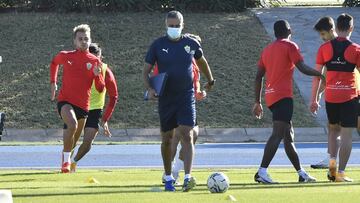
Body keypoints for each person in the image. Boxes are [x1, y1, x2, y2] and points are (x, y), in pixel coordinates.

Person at [143, 11, 214, 192]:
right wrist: (151, 89)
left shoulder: (191, 43)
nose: (173, 28)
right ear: (166, 25)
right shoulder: (158, 45)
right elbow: (146, 71)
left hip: (186, 96)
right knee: (167, 139)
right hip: (166, 98)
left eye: (177, 26)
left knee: (188, 135)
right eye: (171, 25)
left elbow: (202, 62)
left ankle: (187, 178)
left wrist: (210, 79)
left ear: (182, 25)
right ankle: (168, 177)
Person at [253, 20, 323, 184]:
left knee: (288, 136)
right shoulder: (290, 46)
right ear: (289, 30)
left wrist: (257, 101)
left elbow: (258, 77)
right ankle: (261, 172)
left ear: (275, 32)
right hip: (283, 97)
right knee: (278, 134)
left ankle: (301, 173)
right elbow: (302, 67)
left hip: (271, 98)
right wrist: (319, 74)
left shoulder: (267, 49)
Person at [311, 13, 360, 182]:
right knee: (346, 135)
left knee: (333, 132)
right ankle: (341, 173)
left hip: (331, 97)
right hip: (349, 97)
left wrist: (313, 99)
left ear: (336, 28)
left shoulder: (323, 48)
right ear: (351, 28)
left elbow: (317, 76)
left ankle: (332, 171)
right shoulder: (356, 49)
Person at [50, 24, 105, 173]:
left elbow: (100, 88)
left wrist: (96, 75)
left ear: (90, 40)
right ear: (74, 41)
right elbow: (54, 63)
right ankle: (66, 163)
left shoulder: (95, 61)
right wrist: (53, 83)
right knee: (72, 124)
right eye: (80, 39)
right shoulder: (66, 56)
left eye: (86, 39)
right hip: (65, 101)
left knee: (74, 138)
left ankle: (65, 162)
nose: (83, 41)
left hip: (83, 105)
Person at [157, 33, 206, 184]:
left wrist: (199, 93)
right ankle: (170, 174)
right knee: (177, 137)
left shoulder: (195, 65)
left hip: (188, 103)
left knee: (191, 136)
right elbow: (160, 77)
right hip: (174, 102)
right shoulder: (175, 60)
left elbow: (195, 83)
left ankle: (174, 171)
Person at [70, 43, 118, 172]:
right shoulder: (79, 68)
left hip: (95, 110)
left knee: (87, 143)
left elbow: (114, 96)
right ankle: (65, 163)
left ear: (100, 57)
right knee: (72, 140)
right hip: (79, 107)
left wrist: (105, 119)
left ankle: (72, 163)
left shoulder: (105, 71)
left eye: (97, 57)